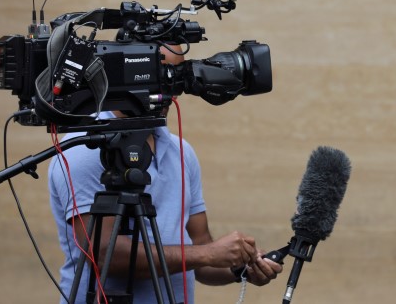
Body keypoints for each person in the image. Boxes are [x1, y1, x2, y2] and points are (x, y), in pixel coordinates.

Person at [48, 45, 281, 303]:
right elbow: (105, 255)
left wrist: (240, 268)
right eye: (159, 74)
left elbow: (200, 249)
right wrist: (207, 254)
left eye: (176, 74)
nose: (170, 88)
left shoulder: (182, 152)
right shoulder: (86, 147)